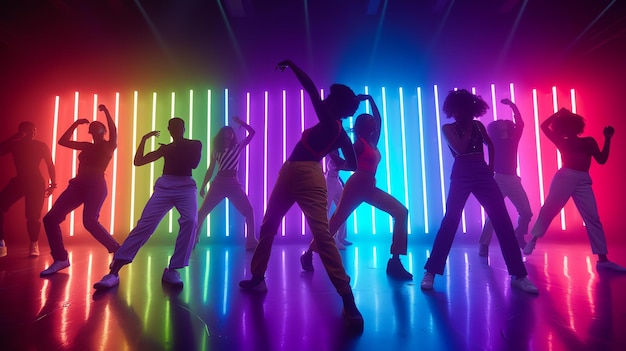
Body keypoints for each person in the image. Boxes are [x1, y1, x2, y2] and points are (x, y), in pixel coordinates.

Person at [238, 59, 365, 331]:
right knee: (269, 225)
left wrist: (292, 65)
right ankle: (258, 277)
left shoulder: (332, 123)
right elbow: (353, 163)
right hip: (292, 171)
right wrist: (339, 162)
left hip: (306, 174)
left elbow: (309, 89)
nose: (326, 100)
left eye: (330, 99)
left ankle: (347, 297)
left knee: (320, 233)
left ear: (336, 106)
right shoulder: (337, 132)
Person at [420, 89, 538, 294]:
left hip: (482, 173)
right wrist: (467, 126)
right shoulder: (448, 128)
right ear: (453, 110)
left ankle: (519, 275)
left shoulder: (478, 125)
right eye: (458, 110)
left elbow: (490, 145)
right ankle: (430, 272)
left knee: (502, 220)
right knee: (451, 221)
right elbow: (460, 148)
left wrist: (490, 167)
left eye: (464, 109)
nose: (460, 113)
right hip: (462, 174)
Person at [300, 94, 412, 280]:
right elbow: (347, 163)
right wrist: (333, 156)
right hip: (357, 184)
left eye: (373, 122)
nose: (374, 123)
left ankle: (395, 260)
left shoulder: (373, 142)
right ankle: (309, 254)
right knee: (335, 221)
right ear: (363, 127)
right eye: (370, 122)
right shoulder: (359, 145)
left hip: (369, 185)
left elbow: (379, 119)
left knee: (401, 212)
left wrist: (370, 100)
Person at [93, 117, 202, 289]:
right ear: (169, 129)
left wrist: (171, 148)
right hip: (165, 186)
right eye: (173, 127)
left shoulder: (195, 144)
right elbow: (138, 161)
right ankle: (113, 271)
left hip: (186, 187)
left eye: (179, 126)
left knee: (190, 221)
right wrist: (144, 140)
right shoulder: (166, 148)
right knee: (144, 225)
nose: (176, 129)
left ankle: (173, 269)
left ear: (184, 128)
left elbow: (194, 164)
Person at [523, 108, 626, 271]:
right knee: (549, 208)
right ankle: (533, 240)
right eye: (566, 125)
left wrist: (608, 139)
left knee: (593, 217)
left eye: (571, 125)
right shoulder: (561, 141)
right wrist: (558, 113)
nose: (569, 129)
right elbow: (543, 126)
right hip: (565, 177)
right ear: (562, 127)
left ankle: (603, 260)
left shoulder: (589, 141)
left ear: (577, 126)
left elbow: (602, 160)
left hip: (583, 180)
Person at [40, 105, 121, 275]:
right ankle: (61, 259)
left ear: (103, 130)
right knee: (50, 219)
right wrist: (76, 123)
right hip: (78, 185)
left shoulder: (108, 145)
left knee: (89, 221)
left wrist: (106, 111)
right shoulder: (86, 146)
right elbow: (62, 141)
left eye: (98, 124)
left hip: (96, 186)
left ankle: (116, 249)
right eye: (92, 125)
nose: (94, 124)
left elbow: (113, 130)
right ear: (90, 131)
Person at [478, 98, 533, 257]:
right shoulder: (491, 141)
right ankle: (483, 244)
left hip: (513, 179)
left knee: (527, 212)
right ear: (494, 128)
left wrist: (513, 106)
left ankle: (519, 235)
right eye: (499, 122)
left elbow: (521, 124)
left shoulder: (513, 139)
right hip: (498, 179)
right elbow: (479, 132)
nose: (502, 122)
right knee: (494, 212)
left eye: (504, 121)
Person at [195, 116, 257, 250]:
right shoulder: (216, 151)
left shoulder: (237, 147)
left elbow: (252, 133)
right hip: (219, 183)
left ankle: (251, 241)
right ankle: (194, 237)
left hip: (233, 183)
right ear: (222, 134)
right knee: (202, 212)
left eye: (231, 131)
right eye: (227, 131)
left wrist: (242, 123)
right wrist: (203, 186)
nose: (230, 133)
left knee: (249, 210)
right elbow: (210, 169)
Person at [0, 122, 56, 257]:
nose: (33, 132)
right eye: (29, 130)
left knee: (33, 216)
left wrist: (53, 184)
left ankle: (34, 244)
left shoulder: (41, 146)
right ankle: (1, 242)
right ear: (22, 132)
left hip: (36, 183)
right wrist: (14, 137)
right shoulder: (15, 145)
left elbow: (50, 164)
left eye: (34, 130)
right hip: (20, 181)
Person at [325, 153, 349, 249]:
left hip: (336, 180)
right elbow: (343, 164)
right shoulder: (330, 151)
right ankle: (330, 239)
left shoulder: (336, 149)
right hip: (329, 181)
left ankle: (341, 237)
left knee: (344, 207)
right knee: (325, 210)